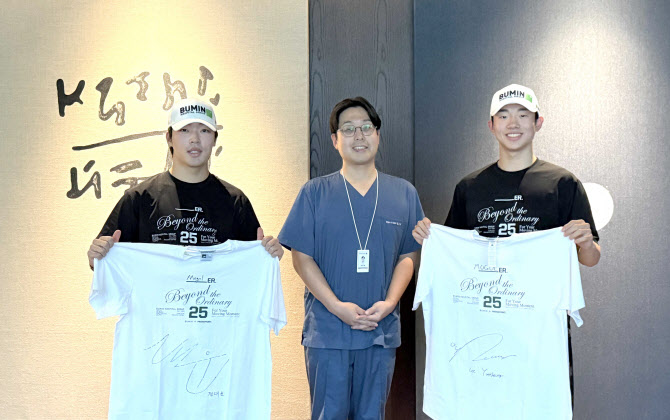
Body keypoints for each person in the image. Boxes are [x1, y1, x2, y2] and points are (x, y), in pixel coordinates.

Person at [412, 83, 601, 401]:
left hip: (540, 333)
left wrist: (585, 242)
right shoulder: (470, 187)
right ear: (491, 125)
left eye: (523, 115)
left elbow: (591, 258)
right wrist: (430, 240)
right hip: (482, 333)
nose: (513, 123)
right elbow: (455, 259)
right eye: (503, 115)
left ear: (538, 123)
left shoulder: (562, 184)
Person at [279, 97, 424, 419]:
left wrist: (390, 303)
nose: (359, 136)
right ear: (335, 139)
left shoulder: (404, 193)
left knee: (373, 414)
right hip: (328, 332)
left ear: (378, 134)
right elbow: (301, 258)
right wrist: (336, 307)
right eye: (348, 129)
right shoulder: (314, 193)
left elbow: (408, 254)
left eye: (366, 127)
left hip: (379, 329)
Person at [87, 98, 282, 267]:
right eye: (185, 130)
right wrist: (97, 255)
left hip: (214, 299)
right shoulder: (139, 199)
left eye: (204, 131)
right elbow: (104, 261)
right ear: (169, 138)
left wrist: (268, 255)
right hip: (155, 301)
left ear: (215, 139)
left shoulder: (235, 201)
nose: (195, 139)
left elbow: (251, 270)